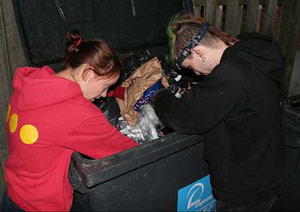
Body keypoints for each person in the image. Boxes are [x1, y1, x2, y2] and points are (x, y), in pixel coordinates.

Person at [154, 13, 285, 211]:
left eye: (190, 67)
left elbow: (184, 117)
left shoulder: (231, 74)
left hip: (247, 189)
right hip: (265, 171)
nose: (195, 74)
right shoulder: (249, 55)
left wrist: (160, 97)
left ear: (198, 52)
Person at [3, 29, 138, 211]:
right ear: (88, 74)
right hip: (39, 206)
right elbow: (125, 151)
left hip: (13, 195)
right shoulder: (77, 112)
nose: (104, 95)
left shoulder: (32, 84)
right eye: (105, 85)